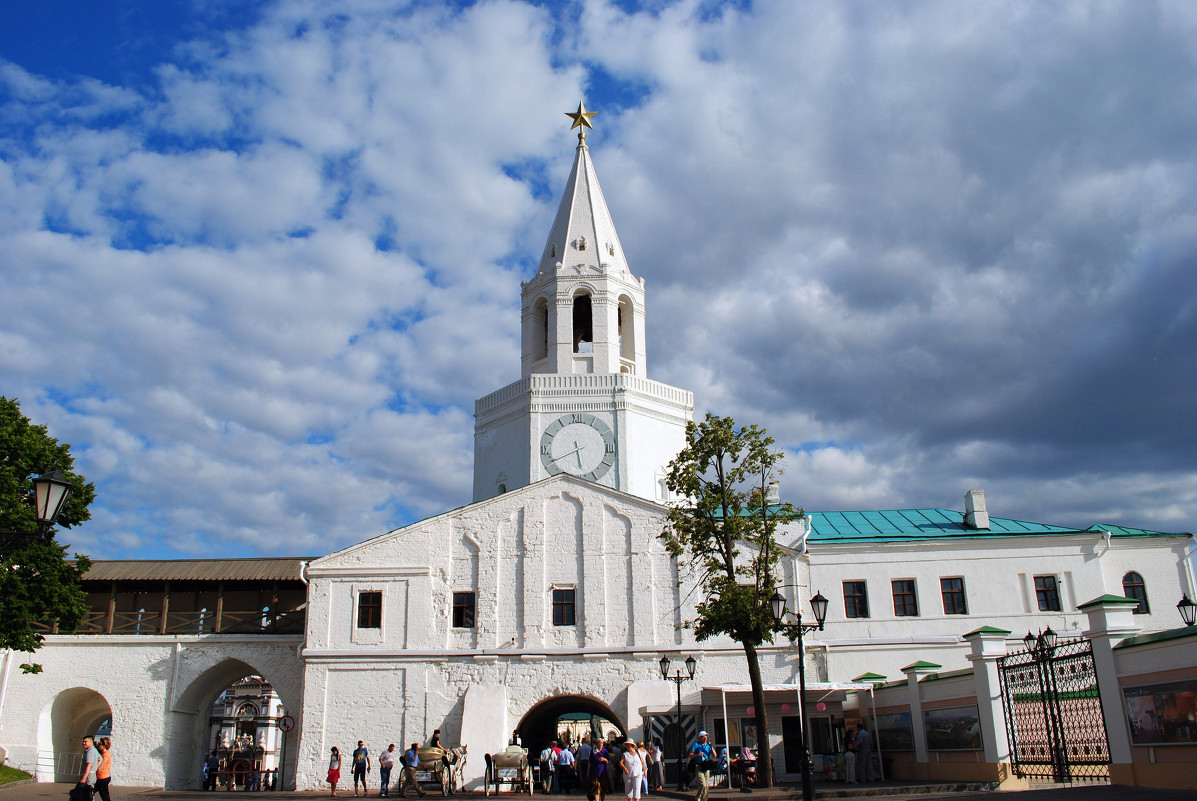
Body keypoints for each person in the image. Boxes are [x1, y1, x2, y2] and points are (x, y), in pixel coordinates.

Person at [689, 731, 715, 801]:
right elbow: (690, 755)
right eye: (703, 736)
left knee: (706, 786)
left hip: (706, 766)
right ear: (700, 737)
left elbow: (715, 755)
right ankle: (698, 798)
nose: (705, 738)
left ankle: (704, 799)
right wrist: (697, 755)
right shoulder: (696, 745)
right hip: (699, 766)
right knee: (702, 784)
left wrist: (711, 747)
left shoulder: (708, 746)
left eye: (706, 736)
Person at [78, 736, 101, 801]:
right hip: (92, 774)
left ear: (91, 742)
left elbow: (89, 765)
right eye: (83, 742)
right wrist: (95, 768)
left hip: (89, 775)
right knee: (89, 793)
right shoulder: (94, 750)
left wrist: (83, 778)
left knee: (88, 794)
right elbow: (100, 758)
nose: (84, 743)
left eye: (86, 742)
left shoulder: (90, 752)